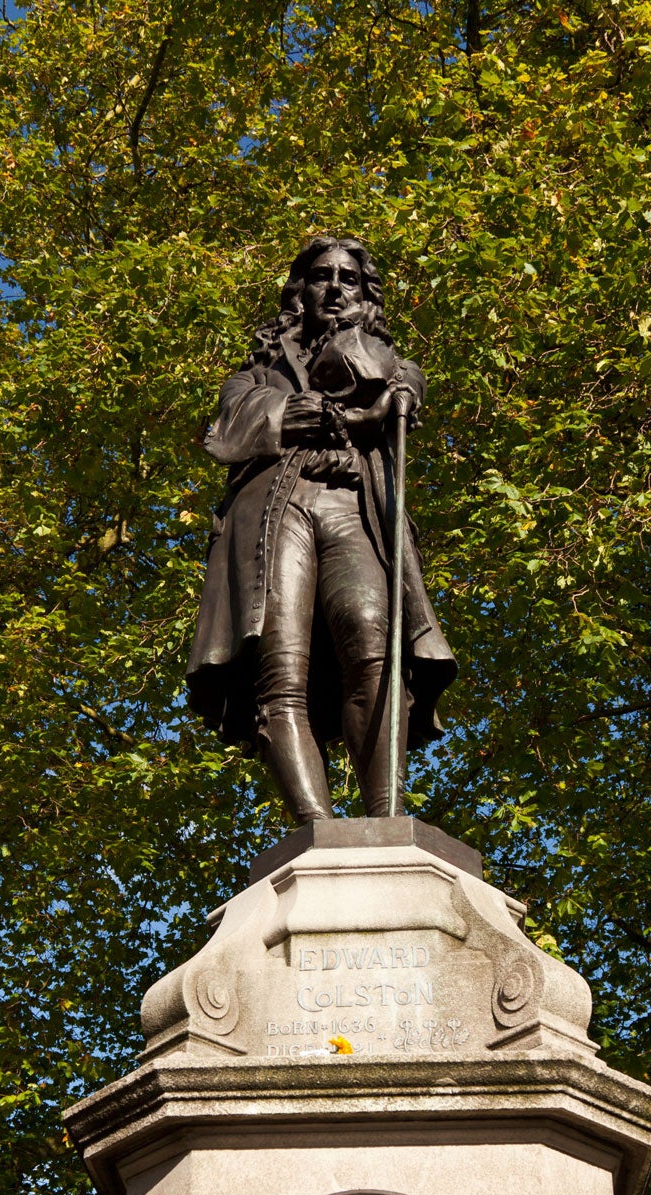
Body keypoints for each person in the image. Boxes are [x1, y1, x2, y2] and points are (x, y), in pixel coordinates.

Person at [186, 237, 456, 822]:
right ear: (300, 290)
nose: (335, 288)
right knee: (280, 666)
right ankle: (317, 828)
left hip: (354, 506)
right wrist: (285, 414)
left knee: (372, 644)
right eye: (321, 276)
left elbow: (399, 387)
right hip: (275, 512)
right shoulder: (260, 369)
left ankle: (387, 819)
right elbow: (228, 421)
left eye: (349, 279)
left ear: (364, 294)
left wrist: (387, 380)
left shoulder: (386, 361)